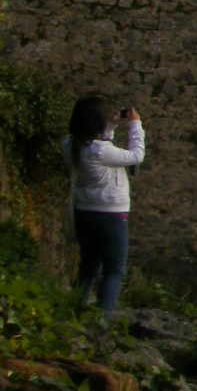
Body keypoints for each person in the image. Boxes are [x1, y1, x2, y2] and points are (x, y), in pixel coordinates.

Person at [64, 93, 144, 322]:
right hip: (111, 214)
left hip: (84, 211)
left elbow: (97, 146)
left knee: (88, 269)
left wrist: (110, 125)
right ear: (96, 123)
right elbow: (136, 155)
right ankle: (102, 321)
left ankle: (74, 314)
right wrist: (135, 125)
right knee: (114, 271)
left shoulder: (70, 144)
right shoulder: (100, 151)